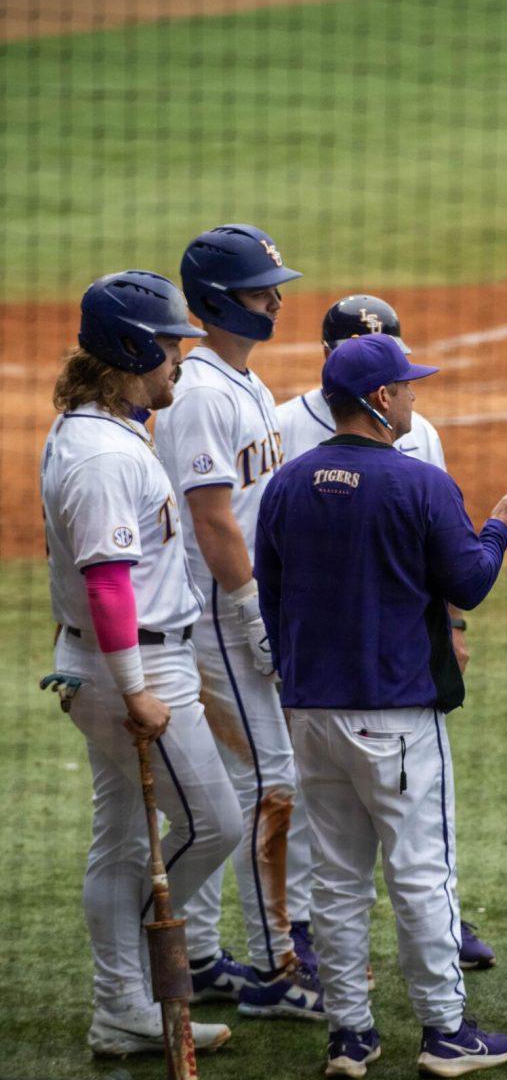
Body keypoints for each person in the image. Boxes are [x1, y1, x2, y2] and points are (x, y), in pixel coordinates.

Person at [255, 332, 507, 1078]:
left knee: (334, 878)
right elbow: (468, 583)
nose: (415, 398)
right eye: (408, 388)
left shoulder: (287, 483)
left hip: (309, 711)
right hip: (393, 714)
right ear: (381, 400)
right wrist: (495, 529)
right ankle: (445, 1032)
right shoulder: (418, 482)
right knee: (422, 874)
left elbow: (267, 594)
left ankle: (349, 1036)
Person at [41, 270, 243, 1056]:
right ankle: (130, 964)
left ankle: (119, 1012)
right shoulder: (99, 456)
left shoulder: (102, 430)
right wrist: (135, 691)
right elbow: (105, 583)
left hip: (115, 660)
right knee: (213, 824)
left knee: (124, 840)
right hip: (134, 670)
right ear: (130, 350)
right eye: (167, 348)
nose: (179, 362)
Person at [276, 293, 495, 971]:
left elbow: (435, 544)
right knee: (320, 804)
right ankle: (303, 928)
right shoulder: (282, 426)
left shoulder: (418, 430)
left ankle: (440, 928)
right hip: (322, 647)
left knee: (409, 816)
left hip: (395, 645)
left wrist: (450, 624)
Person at [155, 224, 323, 1019]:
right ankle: (279, 966)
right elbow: (215, 520)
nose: (277, 300)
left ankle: (203, 954)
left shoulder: (244, 383)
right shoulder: (197, 395)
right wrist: (254, 611)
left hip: (242, 603)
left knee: (237, 783)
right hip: (219, 610)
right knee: (270, 783)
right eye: (262, 290)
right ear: (221, 300)